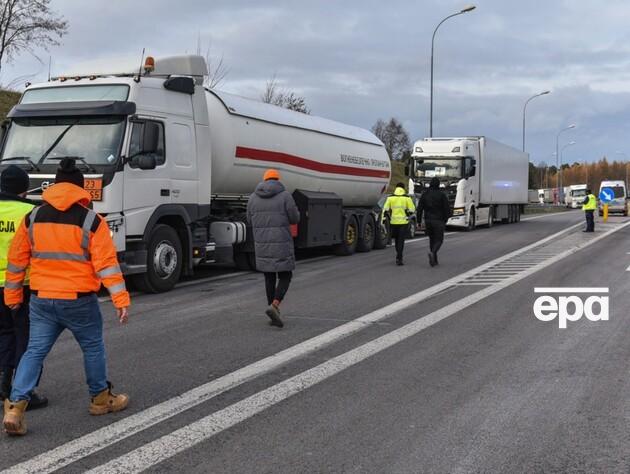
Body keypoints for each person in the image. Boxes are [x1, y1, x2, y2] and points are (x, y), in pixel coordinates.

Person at [2, 158, 131, 436]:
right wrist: (121, 301)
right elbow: (107, 265)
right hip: (78, 300)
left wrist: (13, 297)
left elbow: (17, 262)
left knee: (34, 351)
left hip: (41, 299)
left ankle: (15, 406)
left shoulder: (32, 217)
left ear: (55, 186)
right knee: (92, 346)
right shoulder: (91, 221)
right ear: (81, 189)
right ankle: (100, 399)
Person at [0, 166, 47, 410]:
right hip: (22, 284)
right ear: (24, 188)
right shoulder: (30, 212)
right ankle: (24, 391)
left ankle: (3, 383)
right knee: (26, 339)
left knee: (4, 333)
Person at [247, 169, 300, 328]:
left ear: (264, 180)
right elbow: (294, 218)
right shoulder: (285, 196)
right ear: (277, 179)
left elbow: (250, 220)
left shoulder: (252, 198)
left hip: (262, 243)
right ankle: (275, 305)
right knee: (286, 275)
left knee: (269, 277)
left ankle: (272, 310)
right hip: (281, 242)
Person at [417, 177, 451, 267]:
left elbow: (419, 209)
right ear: (438, 184)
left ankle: (434, 260)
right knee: (439, 240)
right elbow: (446, 208)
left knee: (432, 239)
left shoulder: (425, 195)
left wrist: (419, 221)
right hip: (439, 220)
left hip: (428, 220)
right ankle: (433, 253)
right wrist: (446, 219)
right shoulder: (442, 195)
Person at [382, 183, 416, 266]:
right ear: (403, 188)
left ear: (396, 188)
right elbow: (412, 209)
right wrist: (407, 214)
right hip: (403, 222)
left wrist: (384, 221)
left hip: (393, 223)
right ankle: (399, 257)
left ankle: (398, 254)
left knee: (396, 240)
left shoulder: (390, 198)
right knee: (401, 240)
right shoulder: (407, 198)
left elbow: (385, 210)